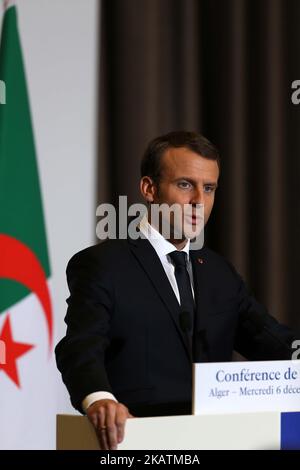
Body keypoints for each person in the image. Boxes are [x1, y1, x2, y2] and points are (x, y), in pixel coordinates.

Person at [55, 131, 296, 450]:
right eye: (185, 184)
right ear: (149, 189)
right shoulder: (103, 265)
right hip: (137, 441)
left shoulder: (218, 272)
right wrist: (100, 400)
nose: (199, 201)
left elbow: (273, 341)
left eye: (208, 188)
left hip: (218, 440)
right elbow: (80, 346)